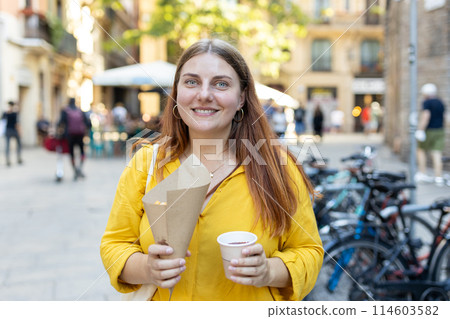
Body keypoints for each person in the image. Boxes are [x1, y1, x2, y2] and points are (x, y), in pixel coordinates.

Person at [100, 39, 323, 301]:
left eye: (221, 83)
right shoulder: (146, 163)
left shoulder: (278, 168)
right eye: (191, 82)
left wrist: (268, 271)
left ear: (241, 98)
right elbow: (115, 245)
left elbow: (309, 250)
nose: (204, 94)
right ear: (177, 92)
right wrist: (148, 269)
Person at [415, 83, 446, 186]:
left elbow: (426, 116)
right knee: (436, 153)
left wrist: (420, 129)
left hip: (429, 130)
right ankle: (438, 176)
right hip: (440, 130)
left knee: (421, 150)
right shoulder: (440, 102)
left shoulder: (427, 102)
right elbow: (444, 117)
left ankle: (422, 172)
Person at [58, 97, 90, 180]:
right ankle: (80, 168)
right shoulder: (80, 111)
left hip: (70, 136)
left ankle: (75, 170)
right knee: (82, 152)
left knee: (72, 154)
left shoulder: (65, 111)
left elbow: (60, 122)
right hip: (80, 135)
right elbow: (88, 123)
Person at [2, 101, 23, 166]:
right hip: (11, 130)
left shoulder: (12, 113)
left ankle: (17, 158)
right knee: (9, 145)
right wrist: (20, 131)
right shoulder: (9, 113)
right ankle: (10, 159)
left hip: (11, 130)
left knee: (17, 144)